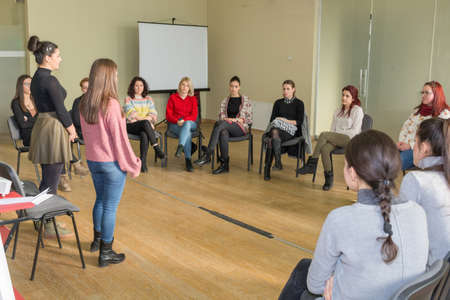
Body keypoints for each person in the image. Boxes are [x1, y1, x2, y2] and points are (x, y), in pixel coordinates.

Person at [279, 130, 428, 300]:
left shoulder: (341, 219)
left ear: (353, 172)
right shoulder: (418, 212)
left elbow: (315, 285)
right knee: (304, 266)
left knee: (305, 284)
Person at [80, 58, 141, 267]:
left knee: (100, 200)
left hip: (93, 161)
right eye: (114, 74)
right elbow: (120, 141)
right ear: (107, 77)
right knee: (110, 207)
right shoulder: (111, 104)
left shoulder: (84, 102)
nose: (117, 77)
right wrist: (133, 163)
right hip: (110, 164)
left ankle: (97, 240)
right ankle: (106, 252)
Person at [27, 35, 76, 238]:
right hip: (53, 127)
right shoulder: (49, 79)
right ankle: (47, 222)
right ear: (47, 57)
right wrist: (72, 129)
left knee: (48, 177)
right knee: (51, 179)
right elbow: (61, 109)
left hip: (43, 126)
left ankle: (42, 219)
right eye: (57, 55)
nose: (60, 58)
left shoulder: (37, 78)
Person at [400, 118, 450, 266]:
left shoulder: (415, 180)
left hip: (431, 275)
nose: (413, 148)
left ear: (425, 147)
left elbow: (402, 235)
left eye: (415, 142)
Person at [297, 85, 363, 190]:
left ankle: (312, 164)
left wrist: (335, 136)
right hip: (337, 139)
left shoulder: (357, 111)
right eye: (343, 95)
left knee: (323, 135)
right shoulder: (337, 111)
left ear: (353, 98)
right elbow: (333, 130)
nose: (344, 98)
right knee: (325, 148)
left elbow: (355, 131)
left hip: (351, 140)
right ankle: (328, 179)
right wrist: (334, 138)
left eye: (347, 96)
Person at [195, 76, 253, 174]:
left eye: (236, 86)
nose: (233, 89)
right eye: (231, 86)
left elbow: (248, 119)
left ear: (239, 87)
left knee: (220, 124)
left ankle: (208, 154)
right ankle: (224, 165)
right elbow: (221, 116)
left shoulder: (246, 101)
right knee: (223, 133)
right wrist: (227, 120)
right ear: (229, 87)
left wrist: (232, 120)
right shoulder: (224, 101)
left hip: (240, 129)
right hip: (226, 127)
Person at [397, 81, 450, 170]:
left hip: (424, 150)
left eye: (427, 93)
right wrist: (402, 142)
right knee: (384, 157)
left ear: (436, 95)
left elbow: (435, 139)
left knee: (396, 163)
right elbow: (405, 127)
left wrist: (410, 145)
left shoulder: (444, 114)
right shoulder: (417, 111)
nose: (423, 95)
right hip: (406, 145)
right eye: (422, 92)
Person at [263, 80, 304, 181]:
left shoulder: (299, 103)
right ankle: (277, 163)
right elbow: (272, 120)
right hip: (277, 129)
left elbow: (299, 122)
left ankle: (268, 168)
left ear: (293, 89)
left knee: (271, 139)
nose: (285, 91)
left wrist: (286, 121)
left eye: (288, 89)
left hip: (291, 131)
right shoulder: (278, 103)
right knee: (273, 135)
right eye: (284, 89)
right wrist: (279, 122)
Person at [124, 76, 165, 173]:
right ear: (133, 87)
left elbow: (153, 113)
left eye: (141, 85)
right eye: (136, 86)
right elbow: (132, 114)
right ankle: (156, 147)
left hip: (144, 127)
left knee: (144, 133)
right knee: (145, 124)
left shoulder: (148, 99)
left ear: (144, 87)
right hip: (131, 126)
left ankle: (143, 163)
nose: (139, 88)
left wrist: (146, 122)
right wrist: (147, 122)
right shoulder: (128, 99)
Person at [166, 77, 198, 172]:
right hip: (175, 124)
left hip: (190, 123)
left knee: (187, 125)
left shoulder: (192, 99)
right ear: (180, 86)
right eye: (183, 85)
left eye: (187, 85)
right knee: (187, 133)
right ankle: (188, 160)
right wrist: (176, 121)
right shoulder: (172, 98)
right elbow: (168, 115)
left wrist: (184, 121)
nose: (184, 87)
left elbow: (194, 115)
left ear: (189, 88)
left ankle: (180, 146)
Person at [11, 74, 37, 147]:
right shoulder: (16, 103)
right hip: (29, 136)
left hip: (40, 131)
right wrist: (38, 121)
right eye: (27, 84)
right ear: (20, 86)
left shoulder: (36, 100)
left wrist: (28, 119)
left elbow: (43, 118)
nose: (30, 86)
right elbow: (23, 124)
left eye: (31, 84)